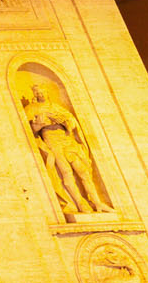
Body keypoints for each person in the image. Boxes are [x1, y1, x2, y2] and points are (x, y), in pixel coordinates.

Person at [24, 82, 107, 214]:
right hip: (51, 140)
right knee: (66, 172)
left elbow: (72, 124)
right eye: (37, 93)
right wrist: (40, 125)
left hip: (66, 139)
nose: (40, 94)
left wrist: (65, 122)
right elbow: (29, 131)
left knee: (83, 171)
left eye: (42, 91)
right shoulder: (31, 109)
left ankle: (97, 202)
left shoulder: (57, 107)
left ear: (47, 92)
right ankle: (80, 203)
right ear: (34, 95)